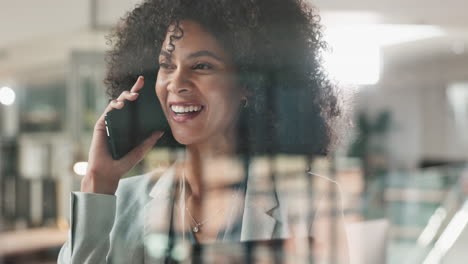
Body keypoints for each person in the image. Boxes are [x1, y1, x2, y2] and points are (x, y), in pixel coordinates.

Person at [58, 0, 349, 263]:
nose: (177, 83)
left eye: (201, 66)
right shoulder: (121, 202)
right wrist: (97, 181)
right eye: (166, 66)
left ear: (248, 84)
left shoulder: (310, 199)